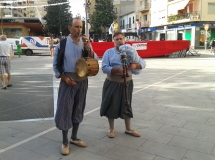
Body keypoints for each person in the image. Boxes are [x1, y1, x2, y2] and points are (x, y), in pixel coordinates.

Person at [53, 17, 98, 155]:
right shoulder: (63, 44)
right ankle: (65, 141)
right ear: (70, 28)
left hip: (82, 80)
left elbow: (94, 59)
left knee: (78, 108)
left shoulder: (84, 44)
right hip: (68, 80)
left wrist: (88, 48)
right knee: (65, 109)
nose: (79, 30)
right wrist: (65, 78)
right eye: (76, 27)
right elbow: (56, 66)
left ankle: (74, 137)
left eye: (81, 27)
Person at [100, 31, 146, 138]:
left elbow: (143, 63)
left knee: (127, 104)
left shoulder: (131, 51)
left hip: (127, 83)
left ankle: (128, 129)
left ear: (124, 40)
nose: (119, 41)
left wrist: (136, 66)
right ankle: (111, 129)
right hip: (112, 83)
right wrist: (116, 69)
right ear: (113, 41)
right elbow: (104, 67)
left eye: (121, 39)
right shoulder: (108, 53)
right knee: (111, 105)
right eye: (117, 39)